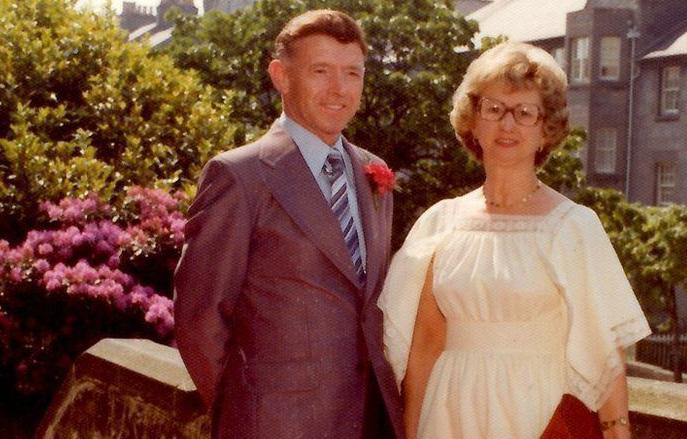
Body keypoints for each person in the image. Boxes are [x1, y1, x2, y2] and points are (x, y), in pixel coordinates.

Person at [378, 41, 651, 439]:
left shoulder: (573, 227)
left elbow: (604, 354)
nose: (508, 125)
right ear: (473, 121)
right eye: (494, 109)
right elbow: (424, 350)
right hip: (449, 414)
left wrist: (618, 433)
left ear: (546, 129)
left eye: (525, 113)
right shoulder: (441, 223)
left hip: (537, 413)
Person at [174, 10, 402, 438]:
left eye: (352, 73)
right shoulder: (240, 176)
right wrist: (245, 411)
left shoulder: (374, 172)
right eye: (321, 71)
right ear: (280, 75)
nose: (339, 89)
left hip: (369, 420)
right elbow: (199, 316)